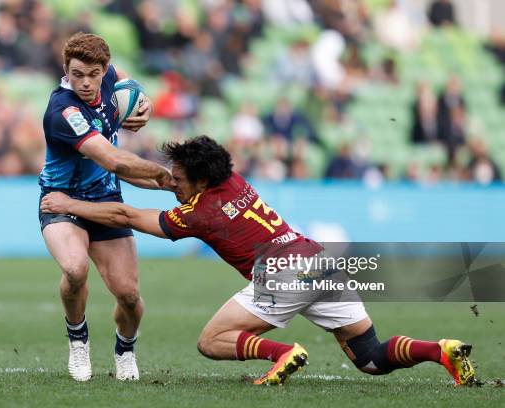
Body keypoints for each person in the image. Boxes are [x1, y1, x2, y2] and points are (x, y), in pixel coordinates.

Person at [41, 136, 476, 386]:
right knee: (370, 358)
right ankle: (439, 350)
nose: (171, 183)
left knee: (210, 342)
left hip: (283, 273)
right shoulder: (233, 180)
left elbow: (124, 215)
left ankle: (282, 353)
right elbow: (182, 182)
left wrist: (69, 203)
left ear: (201, 181)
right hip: (320, 261)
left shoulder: (199, 213)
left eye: (178, 179)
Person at [39, 32, 173, 382]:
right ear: (65, 70)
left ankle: (125, 350)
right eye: (76, 74)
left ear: (104, 70)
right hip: (61, 201)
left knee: (129, 295)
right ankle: (78, 340)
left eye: (93, 74)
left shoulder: (111, 76)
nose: (85, 82)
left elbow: (135, 89)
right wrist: (168, 177)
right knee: (74, 268)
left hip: (106, 199)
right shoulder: (63, 111)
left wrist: (146, 107)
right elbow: (114, 160)